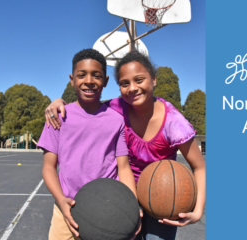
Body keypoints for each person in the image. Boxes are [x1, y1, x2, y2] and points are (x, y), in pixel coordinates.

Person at [45, 51, 206, 240]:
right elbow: (88, 106)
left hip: (159, 193)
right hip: (121, 195)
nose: (132, 88)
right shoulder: (116, 108)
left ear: (153, 80)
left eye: (139, 80)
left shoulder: (174, 123)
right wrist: (58, 102)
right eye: (124, 83)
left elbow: (199, 166)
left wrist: (197, 211)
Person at [38, 49, 139, 240]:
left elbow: (123, 168)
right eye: (81, 75)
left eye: (97, 75)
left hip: (107, 211)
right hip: (66, 209)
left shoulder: (116, 120)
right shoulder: (57, 117)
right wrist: (61, 200)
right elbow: (48, 167)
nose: (89, 81)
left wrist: (132, 207)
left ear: (106, 81)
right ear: (72, 79)